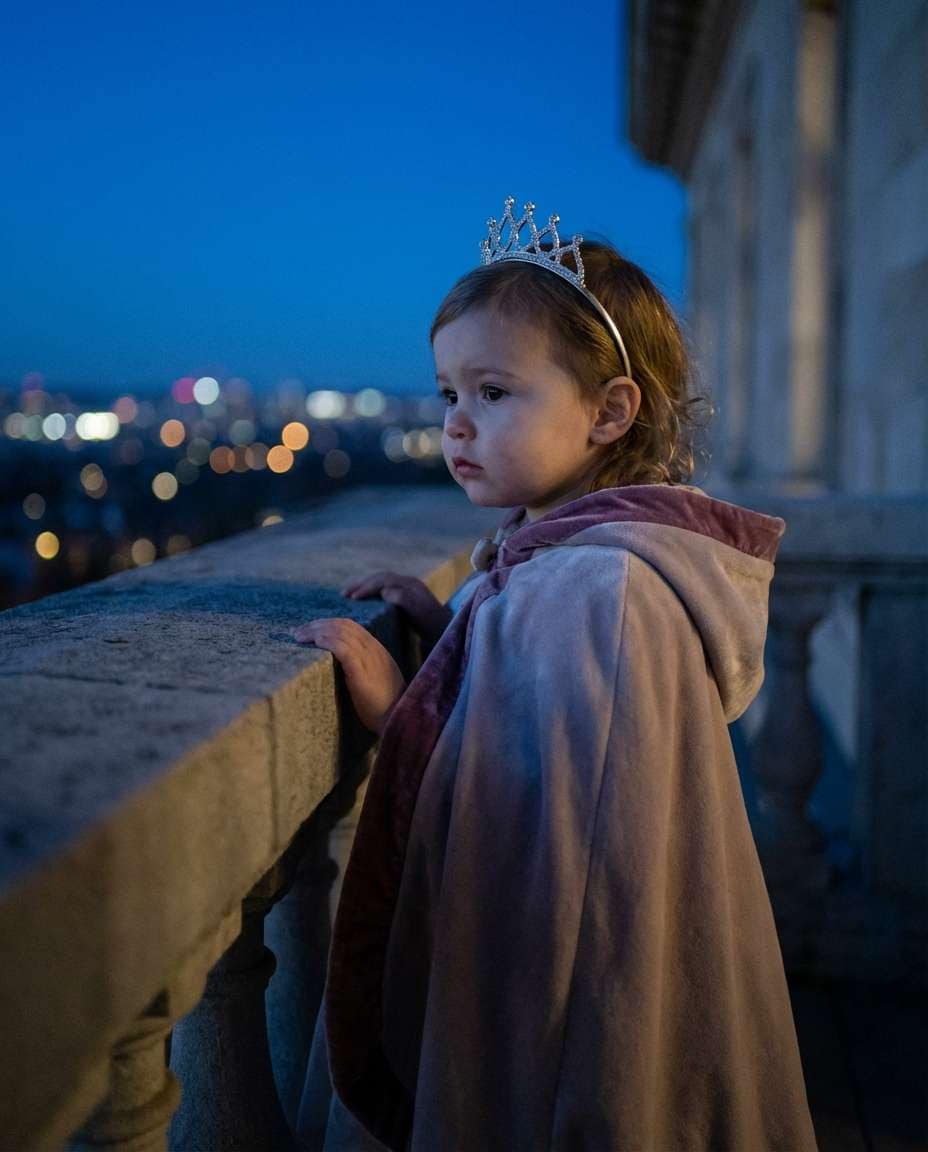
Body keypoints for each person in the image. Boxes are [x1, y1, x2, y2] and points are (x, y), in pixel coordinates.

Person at [291, 197, 818, 1151]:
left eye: (494, 394)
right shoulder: (561, 557)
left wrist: (402, 716)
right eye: (448, 393)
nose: (457, 426)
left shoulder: (600, 590)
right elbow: (537, 713)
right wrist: (447, 627)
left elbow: (557, 830)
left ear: (610, 411)